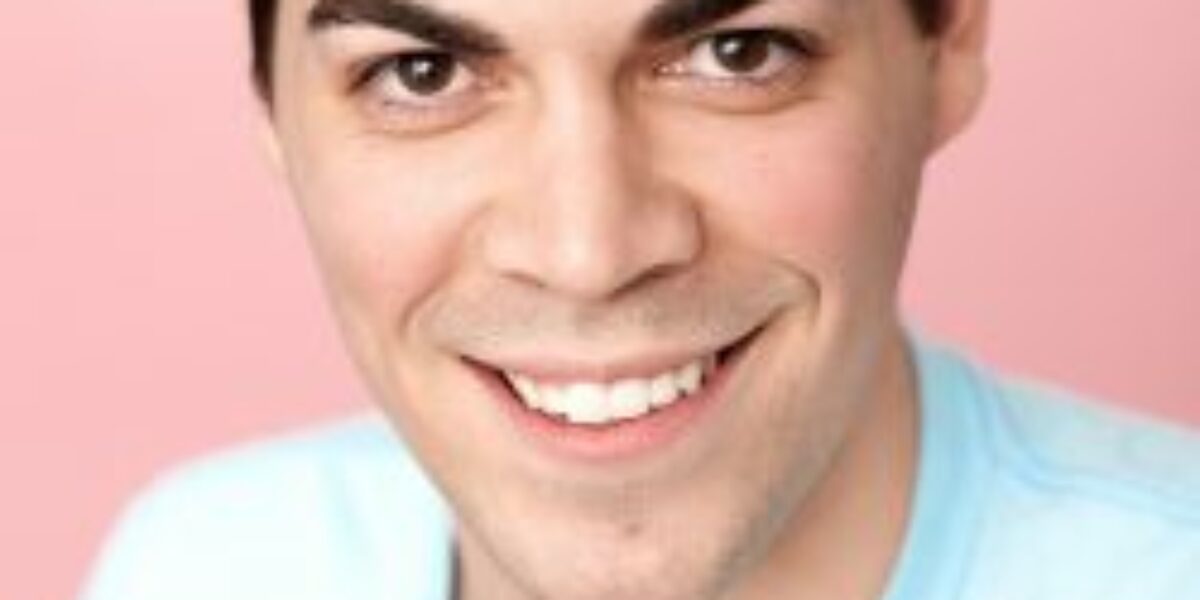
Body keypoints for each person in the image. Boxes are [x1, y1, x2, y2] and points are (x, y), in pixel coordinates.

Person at [81, 0, 1200, 598]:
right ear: (270, 110)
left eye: (738, 53)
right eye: (423, 73)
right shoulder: (204, 565)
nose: (588, 252)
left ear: (947, 37)